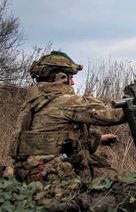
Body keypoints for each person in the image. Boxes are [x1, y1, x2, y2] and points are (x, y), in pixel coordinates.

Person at [8, 51, 126, 183]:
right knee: (118, 185)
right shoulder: (64, 101)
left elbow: (48, 138)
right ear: (60, 77)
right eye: (71, 77)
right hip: (52, 174)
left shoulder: (32, 103)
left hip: (30, 172)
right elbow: (111, 115)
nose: (73, 82)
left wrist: (99, 138)